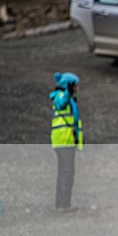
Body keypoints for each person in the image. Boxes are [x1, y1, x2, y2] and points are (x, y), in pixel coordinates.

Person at [49, 72, 84, 213]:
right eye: (75, 85)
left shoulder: (71, 100)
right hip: (63, 140)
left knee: (67, 172)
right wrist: (68, 92)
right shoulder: (61, 96)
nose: (78, 88)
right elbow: (61, 102)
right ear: (69, 86)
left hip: (66, 140)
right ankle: (63, 204)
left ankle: (63, 203)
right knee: (66, 172)